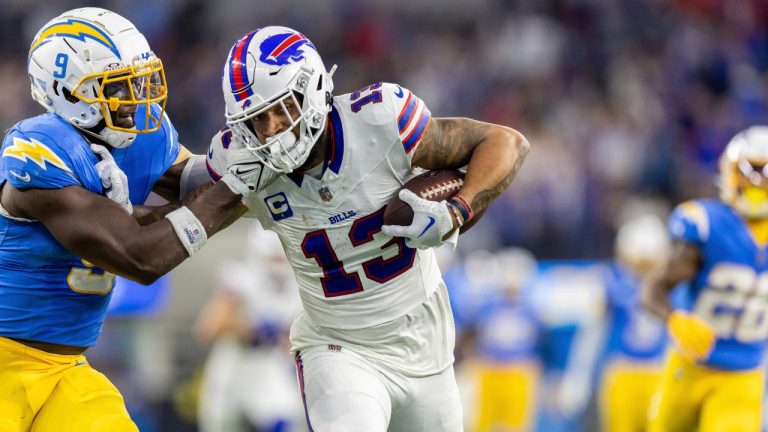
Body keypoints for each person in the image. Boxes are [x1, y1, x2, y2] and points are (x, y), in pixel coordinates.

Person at [206, 26, 530, 431]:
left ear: (313, 90)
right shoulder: (242, 164)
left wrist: (456, 211)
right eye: (257, 119)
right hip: (338, 347)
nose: (271, 129)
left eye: (282, 108)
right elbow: (174, 185)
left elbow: (506, 141)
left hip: (424, 339)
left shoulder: (379, 119)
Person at [0, 7, 265, 431]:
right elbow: (139, 256)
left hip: (66, 370)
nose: (135, 98)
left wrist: (276, 167)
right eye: (118, 87)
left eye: (138, 81)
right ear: (65, 91)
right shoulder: (41, 149)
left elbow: (196, 187)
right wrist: (243, 183)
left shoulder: (138, 137)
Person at [642, 126, 768, 432]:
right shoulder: (707, 224)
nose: (756, 182)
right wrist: (675, 319)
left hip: (742, 376)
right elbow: (652, 290)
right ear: (729, 173)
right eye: (748, 171)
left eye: (764, 173)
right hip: (690, 367)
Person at [195, 223, 303, 432]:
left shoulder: (297, 286)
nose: (278, 264)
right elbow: (208, 328)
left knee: (288, 421)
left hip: (269, 367)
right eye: (273, 258)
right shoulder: (240, 278)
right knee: (221, 424)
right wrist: (251, 329)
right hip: (233, 366)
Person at [454, 248, 541, 432]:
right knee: (480, 423)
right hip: (488, 370)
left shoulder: (532, 307)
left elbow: (544, 343)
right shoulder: (487, 304)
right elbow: (469, 334)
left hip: (519, 371)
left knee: (515, 426)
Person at [597, 215, 671, 432]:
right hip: (623, 371)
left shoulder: (672, 287)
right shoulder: (614, 284)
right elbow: (594, 335)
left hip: (658, 370)